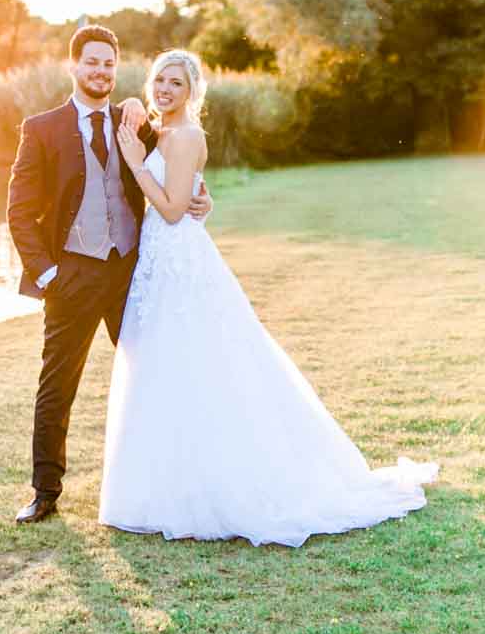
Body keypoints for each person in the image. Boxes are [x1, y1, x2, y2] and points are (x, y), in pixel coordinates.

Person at [101, 49, 436, 546]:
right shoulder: (162, 131)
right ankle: (162, 480)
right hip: (162, 262)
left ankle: (213, 484)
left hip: (179, 261)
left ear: (192, 90)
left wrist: (135, 165)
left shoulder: (187, 135)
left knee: (201, 361)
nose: (164, 89)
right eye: (158, 81)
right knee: (165, 363)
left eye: (175, 82)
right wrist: (193, 188)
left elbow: (172, 210)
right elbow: (191, 192)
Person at [4, 25, 210, 525]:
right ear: (73, 67)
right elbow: (19, 210)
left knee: (152, 376)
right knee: (56, 386)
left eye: (108, 64)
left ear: (117, 70)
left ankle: (168, 480)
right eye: (91, 62)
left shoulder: (135, 121)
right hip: (71, 275)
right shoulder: (42, 128)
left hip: (130, 273)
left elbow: (176, 171)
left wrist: (203, 197)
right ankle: (45, 492)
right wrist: (48, 273)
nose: (100, 71)